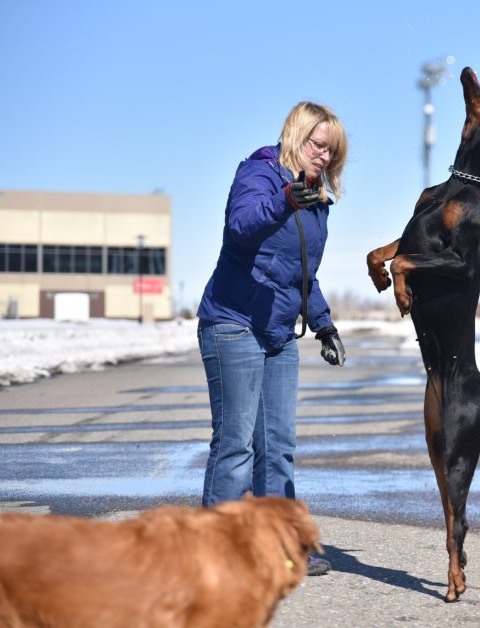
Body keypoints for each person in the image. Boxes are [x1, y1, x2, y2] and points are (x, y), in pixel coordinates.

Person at [196, 102, 348, 576]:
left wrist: (323, 323)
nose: (324, 157)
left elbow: (301, 273)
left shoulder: (315, 199)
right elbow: (240, 229)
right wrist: (285, 198)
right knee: (237, 443)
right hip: (233, 322)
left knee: (277, 443)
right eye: (317, 145)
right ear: (296, 136)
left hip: (278, 331)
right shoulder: (259, 173)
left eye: (331, 151)